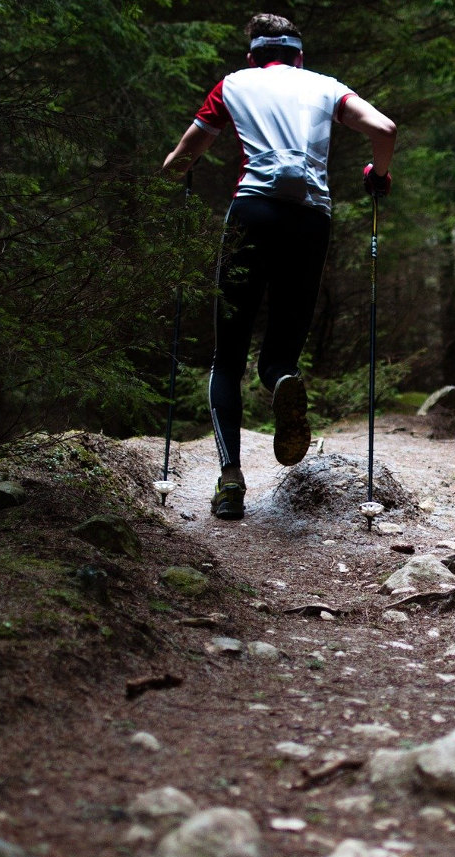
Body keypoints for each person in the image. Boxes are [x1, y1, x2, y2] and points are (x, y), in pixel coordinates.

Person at [163, 13, 396, 520]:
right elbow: (384, 128)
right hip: (311, 220)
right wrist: (378, 175)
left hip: (252, 213)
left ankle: (229, 482)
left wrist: (175, 168)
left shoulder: (233, 85)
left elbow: (187, 151)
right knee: (280, 355)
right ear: (299, 56)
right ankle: (281, 381)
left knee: (227, 356)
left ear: (252, 56)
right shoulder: (326, 87)